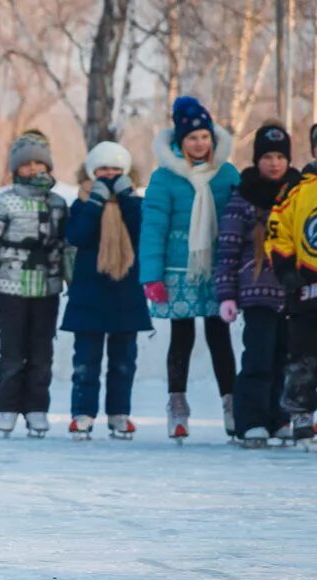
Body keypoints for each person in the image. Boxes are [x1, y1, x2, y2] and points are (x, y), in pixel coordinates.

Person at [140, 96, 240, 441]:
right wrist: (151, 276)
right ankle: (178, 406)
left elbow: (238, 221)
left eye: (204, 137)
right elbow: (152, 227)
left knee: (219, 337)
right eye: (192, 138)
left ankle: (231, 404)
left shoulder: (226, 174)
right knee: (182, 337)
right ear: (180, 143)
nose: (199, 144)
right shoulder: (165, 178)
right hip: (177, 268)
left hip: (217, 265)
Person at [215, 121, 302, 446]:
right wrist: (226, 294)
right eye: (267, 157)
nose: (274, 163)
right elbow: (227, 250)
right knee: (258, 358)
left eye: (280, 156)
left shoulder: (298, 195)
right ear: (257, 160)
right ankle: (250, 420)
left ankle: (278, 417)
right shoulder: (243, 198)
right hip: (256, 294)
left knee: (285, 358)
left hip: (293, 293)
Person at [0, 130, 68, 438]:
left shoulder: (57, 203)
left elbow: (65, 246)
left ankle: (36, 407)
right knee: (13, 351)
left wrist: (70, 277)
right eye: (26, 164)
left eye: (39, 164)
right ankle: (7, 406)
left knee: (42, 351)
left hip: (46, 288)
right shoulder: (5, 202)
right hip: (11, 287)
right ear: (16, 168)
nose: (33, 170)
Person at [61, 142, 151, 440]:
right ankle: (83, 413)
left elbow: (143, 231)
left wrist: (127, 199)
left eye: (115, 170)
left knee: (124, 361)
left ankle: (119, 414)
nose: (109, 175)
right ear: (91, 172)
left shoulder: (136, 204)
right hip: (89, 292)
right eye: (103, 170)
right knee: (86, 360)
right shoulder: (82, 203)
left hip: (126, 293)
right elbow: (76, 236)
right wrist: (95, 204)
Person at [266, 122, 317, 449]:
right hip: (306, 290)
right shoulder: (296, 190)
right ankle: (300, 416)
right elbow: (277, 231)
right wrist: (286, 270)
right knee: (303, 356)